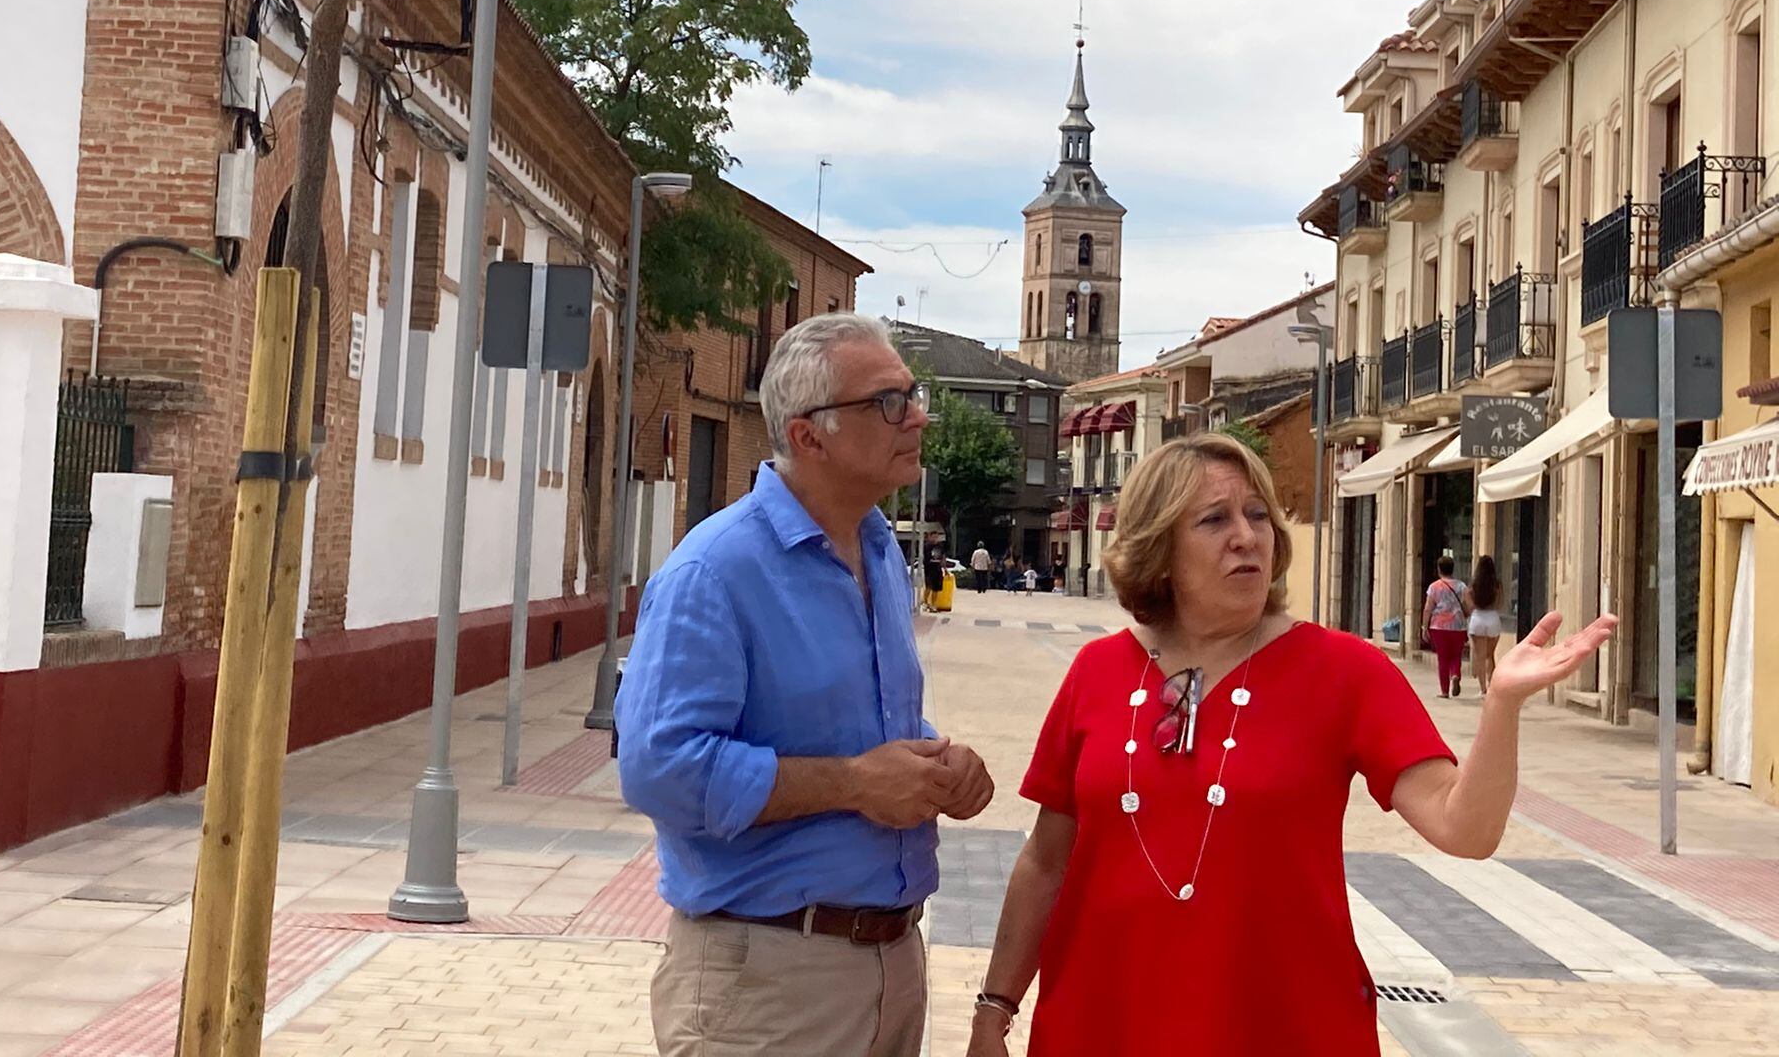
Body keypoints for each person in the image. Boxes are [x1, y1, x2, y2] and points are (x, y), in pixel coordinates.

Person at [964, 433, 1614, 1057]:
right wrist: (995, 1007)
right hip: (1101, 1025)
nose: (1247, 536)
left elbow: (1464, 828)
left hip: (1284, 1027)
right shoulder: (1096, 673)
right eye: (1214, 520)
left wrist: (1502, 704)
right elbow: (1046, 861)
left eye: (1258, 515)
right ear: (1157, 546)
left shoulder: (1345, 673)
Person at [618, 313, 995, 1057]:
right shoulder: (716, 571)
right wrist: (854, 783)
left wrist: (936, 767)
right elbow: (659, 770)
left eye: (913, 395)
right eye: (888, 402)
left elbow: (852, 731)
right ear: (807, 435)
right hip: (768, 984)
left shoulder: (882, 552)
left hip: (893, 966)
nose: (917, 416)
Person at [1423, 553, 1473, 699]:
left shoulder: (1434, 587)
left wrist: (1424, 626)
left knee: (1443, 658)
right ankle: (1456, 674)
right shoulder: (1461, 586)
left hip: (1439, 627)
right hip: (1458, 626)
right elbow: (1469, 605)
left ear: (1439, 569)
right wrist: (1465, 615)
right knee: (1456, 655)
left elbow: (1428, 608)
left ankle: (1444, 691)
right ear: (1452, 569)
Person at [1468, 554, 1503, 697]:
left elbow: (1470, 604)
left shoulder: (1474, 585)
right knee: (1490, 656)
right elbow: (1500, 603)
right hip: (1492, 618)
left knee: (1480, 657)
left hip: (1478, 618)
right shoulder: (1497, 584)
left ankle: (1483, 689)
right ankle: (1492, 686)